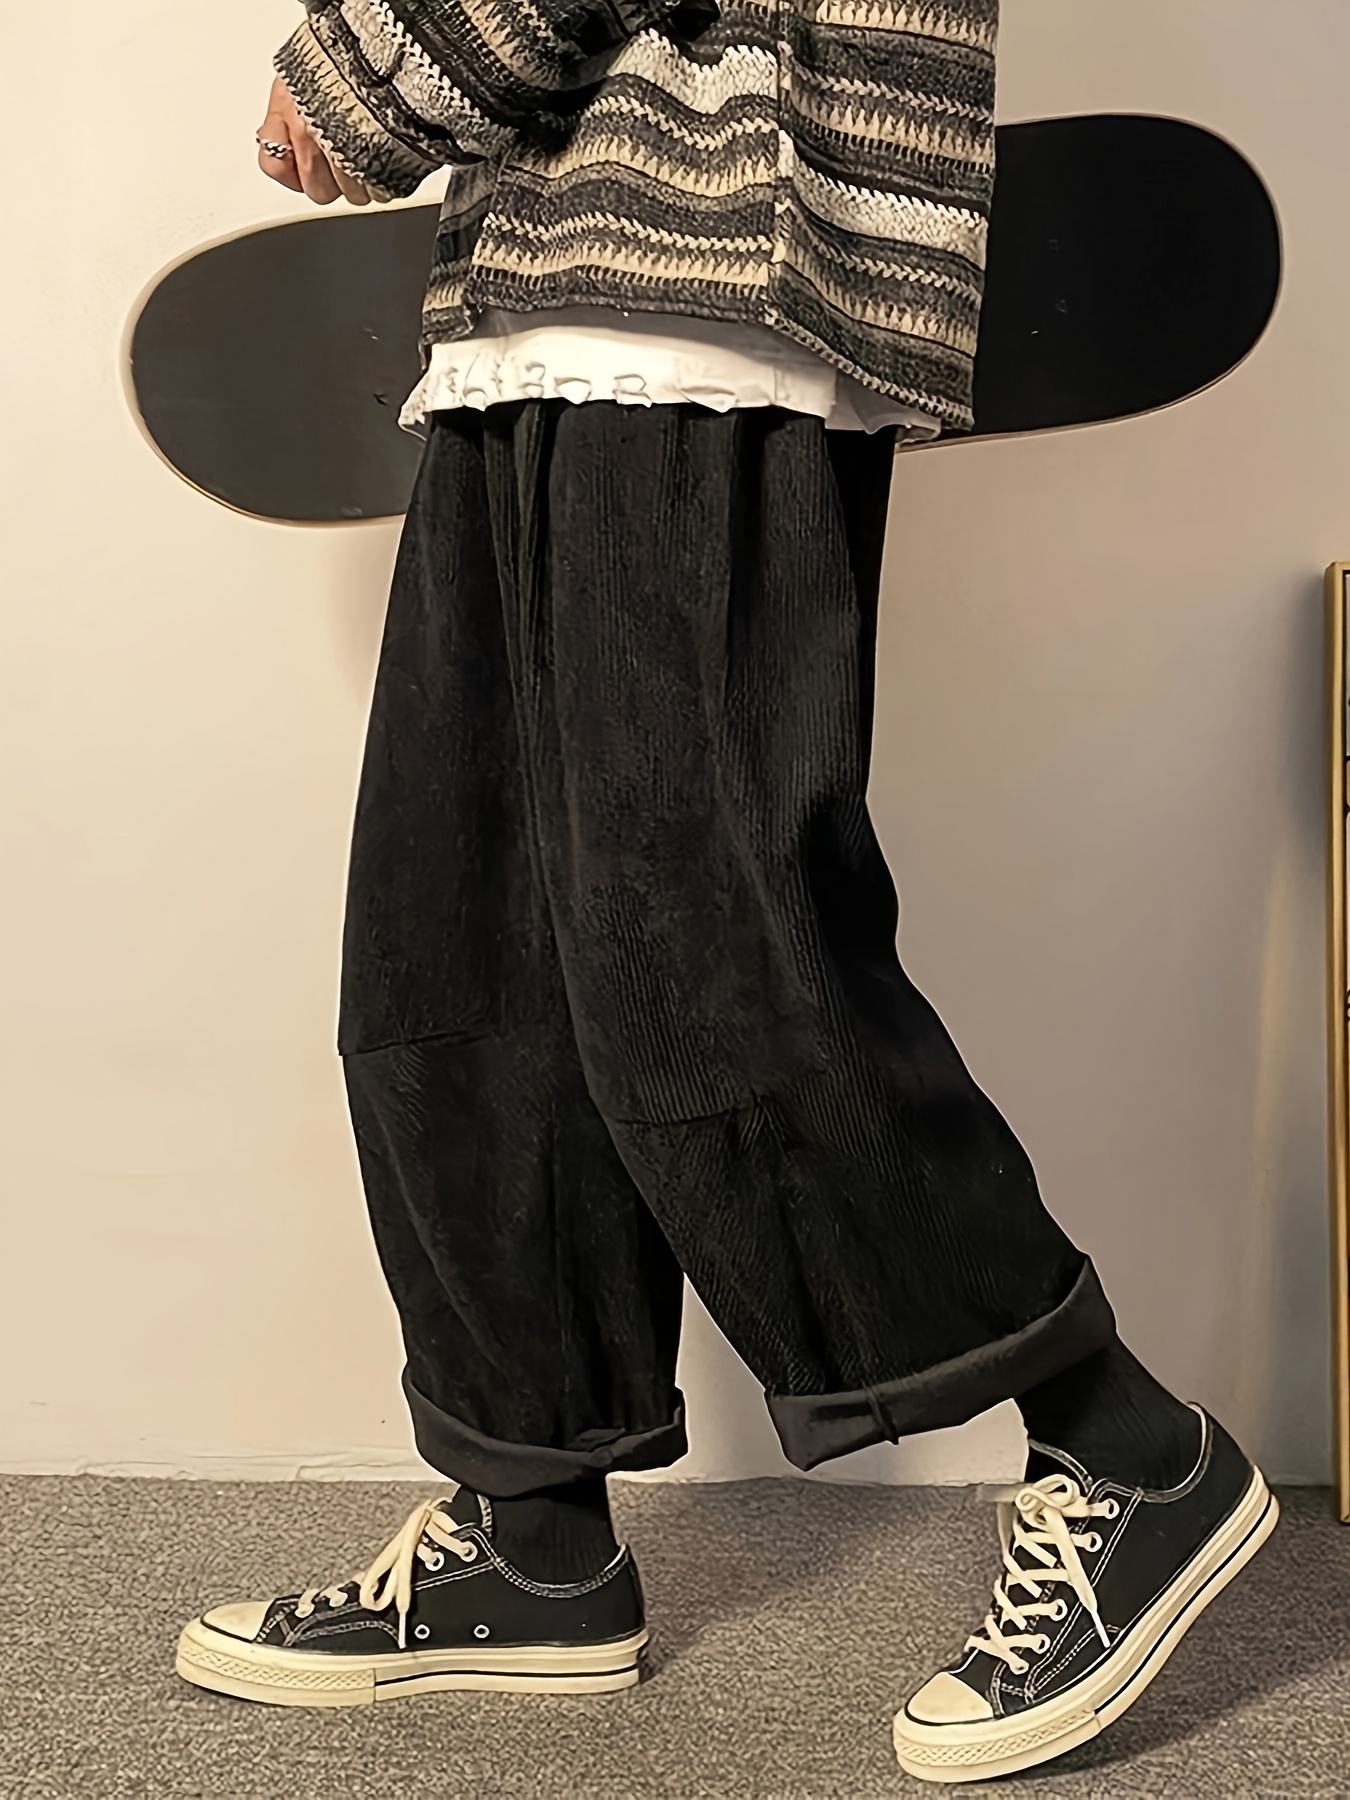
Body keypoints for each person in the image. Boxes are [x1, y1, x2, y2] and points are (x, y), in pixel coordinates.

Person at [173, 2, 1278, 1781]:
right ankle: (531, 1534)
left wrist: (366, 71)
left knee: (704, 948)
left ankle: (1124, 1445)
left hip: (713, 256)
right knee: (465, 950)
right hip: (537, 286)